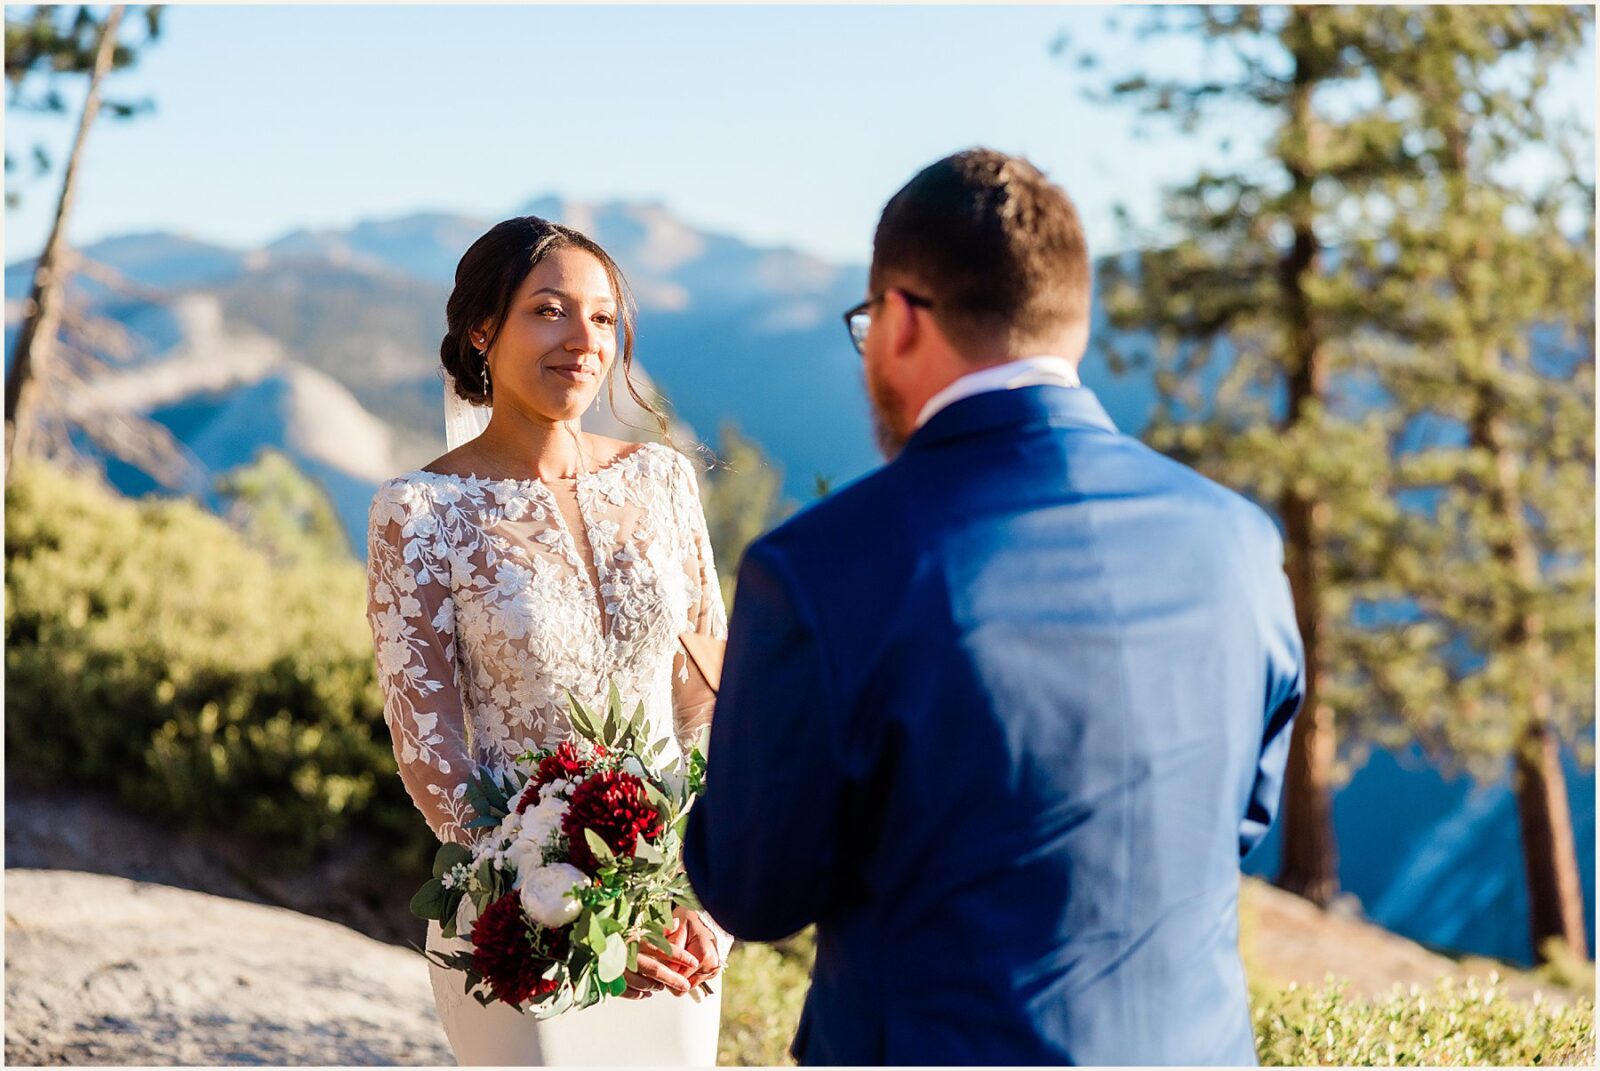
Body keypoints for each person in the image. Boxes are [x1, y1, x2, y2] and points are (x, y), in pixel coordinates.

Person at [684, 149, 1305, 1065]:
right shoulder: (1240, 541)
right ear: (1070, 320)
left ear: (900, 319)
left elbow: (754, 889)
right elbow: (1239, 818)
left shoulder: (821, 569)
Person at [365, 217, 728, 1065]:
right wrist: (573, 907)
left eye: (602, 317)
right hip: (518, 922)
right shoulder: (419, 513)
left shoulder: (663, 481)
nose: (583, 339)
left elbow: (711, 702)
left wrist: (697, 888)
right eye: (549, 310)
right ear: (481, 330)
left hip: (678, 919)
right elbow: (433, 759)